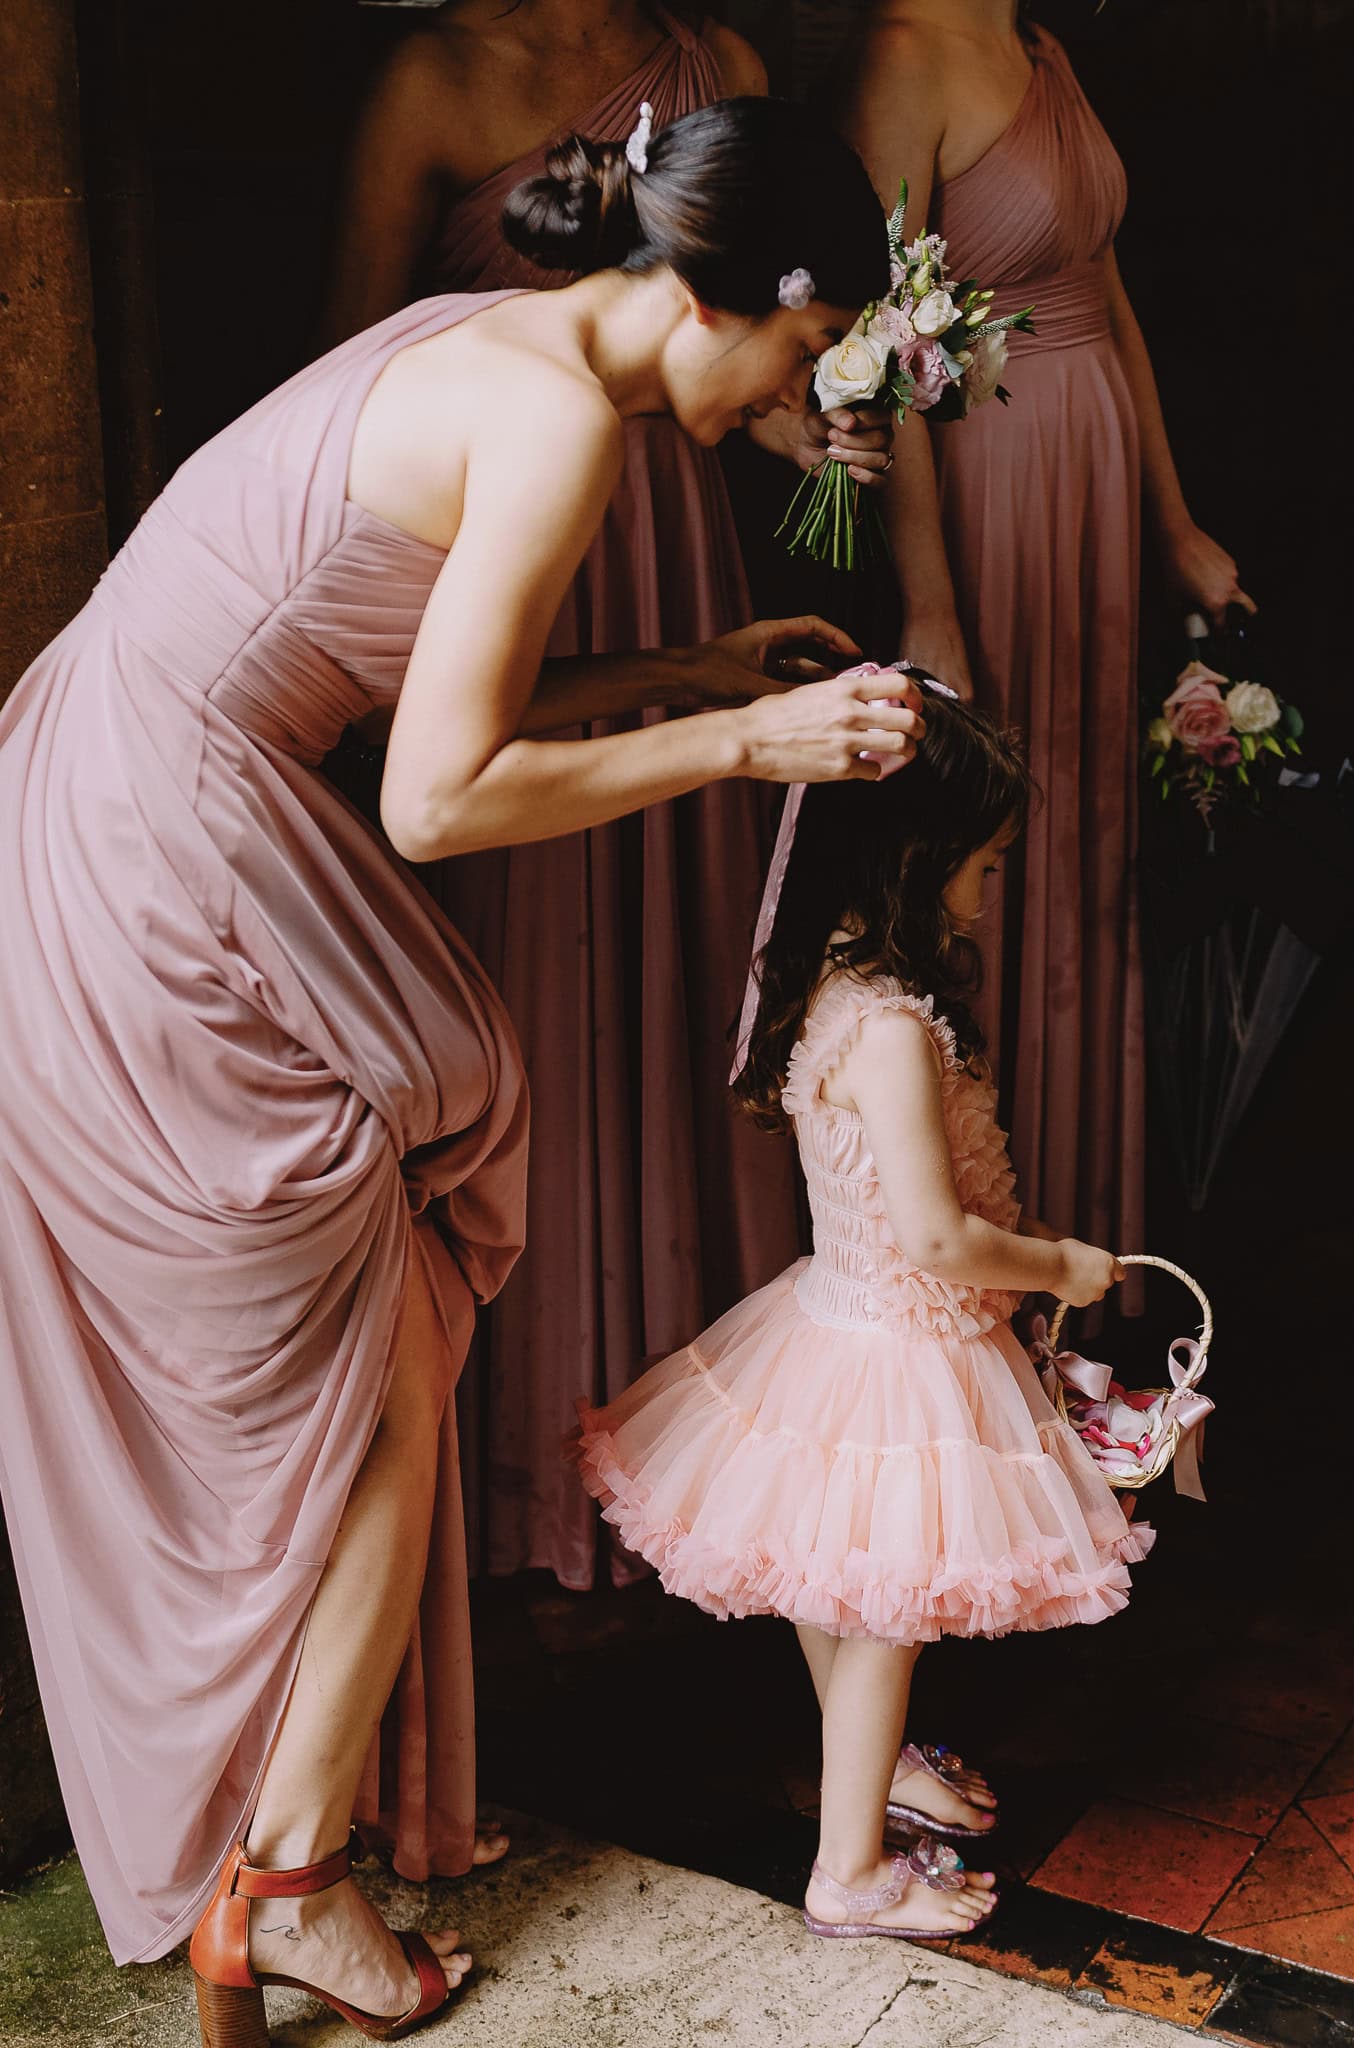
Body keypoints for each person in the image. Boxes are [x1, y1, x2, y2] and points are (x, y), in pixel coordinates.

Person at [0, 97, 919, 2043]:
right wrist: (750, 746)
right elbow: (434, 796)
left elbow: (408, 693)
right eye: (802, 347)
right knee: (362, 1362)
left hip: (133, 799)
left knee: (374, 1345)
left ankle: (294, 1847)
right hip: (174, 861)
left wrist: (684, 670)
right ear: (731, 296)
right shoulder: (558, 417)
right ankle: (286, 1871)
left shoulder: (490, 335)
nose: (793, 393)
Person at [323, 3, 895, 1590]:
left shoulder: (719, 60)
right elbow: (349, 362)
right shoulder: (434, 81)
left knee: (684, 980)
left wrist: (799, 432)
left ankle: (692, 1449)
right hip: (500, 562)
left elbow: (725, 330)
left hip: (669, 542)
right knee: (536, 997)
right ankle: (533, 1466)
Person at [574, 689, 1150, 1940]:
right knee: (885, 1605)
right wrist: (1061, 1265)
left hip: (833, 1318)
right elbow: (937, 1235)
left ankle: (872, 1758)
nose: (989, 888)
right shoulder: (888, 1029)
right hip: (900, 1339)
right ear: (916, 857)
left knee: (831, 1564)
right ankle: (849, 1872)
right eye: (983, 862)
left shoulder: (836, 978)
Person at [837, 0, 1255, 1266]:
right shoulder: (903, 53)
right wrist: (929, 600)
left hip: (1094, 482)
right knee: (999, 841)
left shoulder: (1039, 48)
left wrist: (1173, 521)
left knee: (1090, 839)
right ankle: (994, 1242)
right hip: (995, 488)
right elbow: (882, 341)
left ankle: (1091, 1226)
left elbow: (1107, 300)